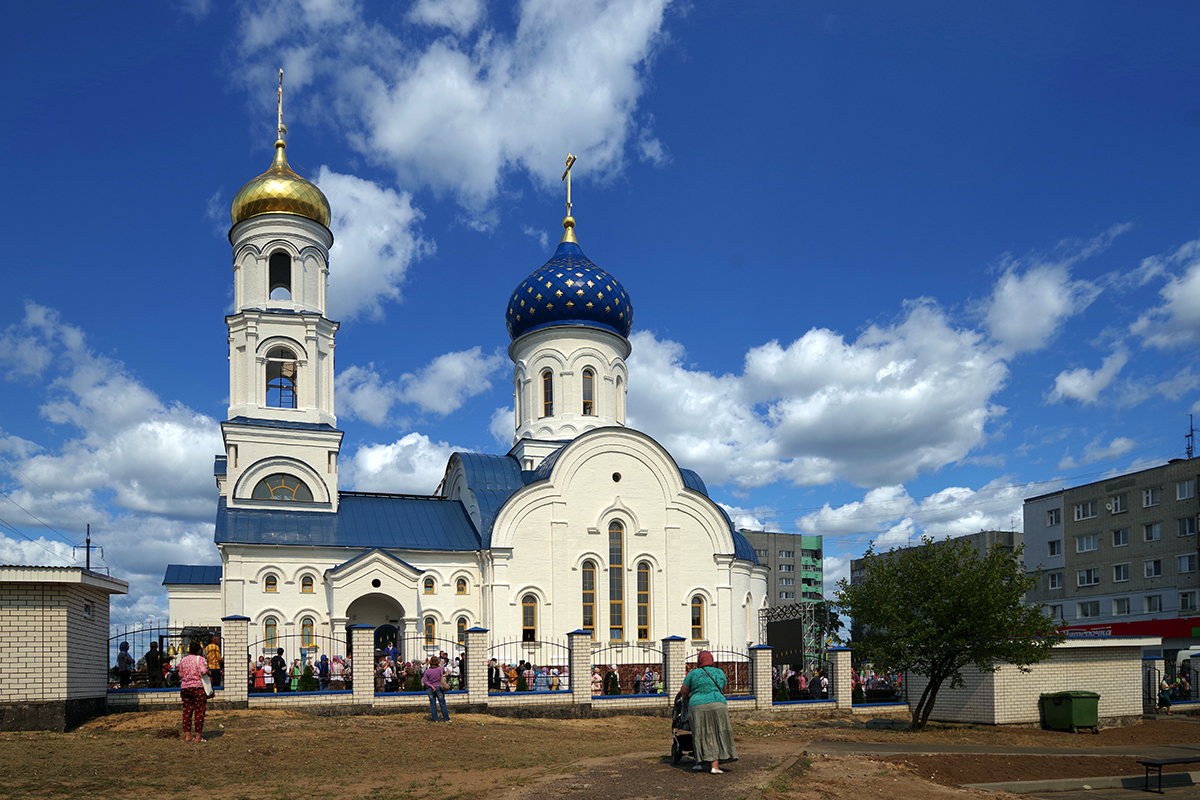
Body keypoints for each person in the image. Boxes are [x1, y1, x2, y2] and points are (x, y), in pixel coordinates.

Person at [680, 650, 738, 774]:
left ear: (699, 661)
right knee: (717, 732)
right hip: (718, 704)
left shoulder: (692, 673)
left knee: (699, 733)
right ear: (711, 660)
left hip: (697, 706)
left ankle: (699, 763)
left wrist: (689, 698)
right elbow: (724, 688)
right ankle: (715, 766)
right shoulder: (719, 672)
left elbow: (684, 692)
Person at [179, 640, 210, 743]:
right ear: (198, 650)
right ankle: (198, 737)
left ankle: (188, 735)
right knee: (199, 712)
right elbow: (203, 671)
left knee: (187, 711)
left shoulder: (183, 660)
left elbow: (181, 675)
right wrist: (208, 671)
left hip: (185, 688)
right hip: (198, 688)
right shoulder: (200, 659)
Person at [422, 655, 450, 721]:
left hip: (431, 688)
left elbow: (424, 680)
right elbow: (443, 672)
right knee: (442, 703)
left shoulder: (428, 671)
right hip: (439, 687)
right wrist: (440, 665)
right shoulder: (440, 669)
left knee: (433, 704)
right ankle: (446, 719)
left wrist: (431, 685)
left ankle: (435, 719)